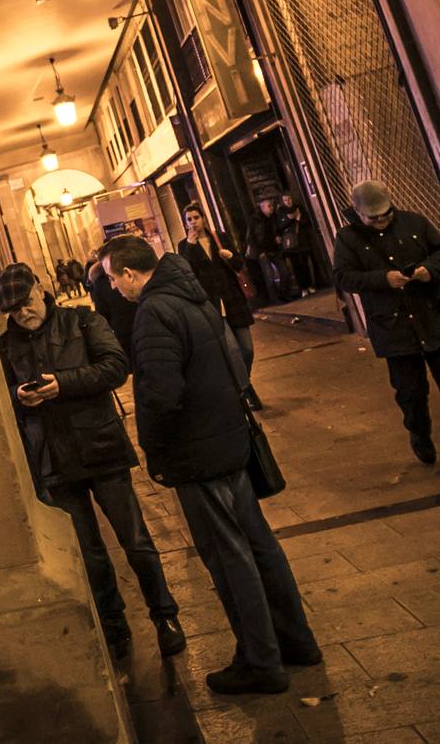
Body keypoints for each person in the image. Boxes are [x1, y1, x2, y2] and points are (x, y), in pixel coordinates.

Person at [104, 235, 319, 696]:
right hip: (229, 440)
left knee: (228, 555)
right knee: (259, 544)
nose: (113, 287)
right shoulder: (193, 295)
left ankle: (260, 661)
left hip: (198, 452)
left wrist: (156, 450)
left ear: (129, 274)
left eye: (112, 278)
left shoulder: (155, 312)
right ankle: (296, 641)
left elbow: (162, 394)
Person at [0, 263, 184, 661]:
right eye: (13, 310)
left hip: (100, 446)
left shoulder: (80, 320)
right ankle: (114, 626)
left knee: (136, 542)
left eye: (26, 303)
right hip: (53, 458)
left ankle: (165, 616)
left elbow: (116, 366)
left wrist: (63, 384)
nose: (23, 314)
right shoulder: (5, 345)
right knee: (88, 551)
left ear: (40, 289)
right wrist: (18, 396)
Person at [332, 181, 440, 476]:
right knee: (411, 393)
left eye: (386, 215)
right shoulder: (348, 238)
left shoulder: (414, 222)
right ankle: (419, 431)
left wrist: (430, 270)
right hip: (393, 327)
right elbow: (343, 277)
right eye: (373, 218)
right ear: (358, 213)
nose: (381, 221)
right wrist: (382, 279)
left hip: (433, 318)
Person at [180, 206, 262, 410]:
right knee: (233, 351)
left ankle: (243, 380)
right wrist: (190, 245)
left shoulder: (220, 238)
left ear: (204, 219)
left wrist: (230, 257)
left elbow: (239, 264)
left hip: (233, 300)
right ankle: (246, 390)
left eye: (196, 218)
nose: (193, 222)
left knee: (247, 350)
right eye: (189, 219)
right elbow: (186, 274)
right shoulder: (184, 245)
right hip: (211, 306)